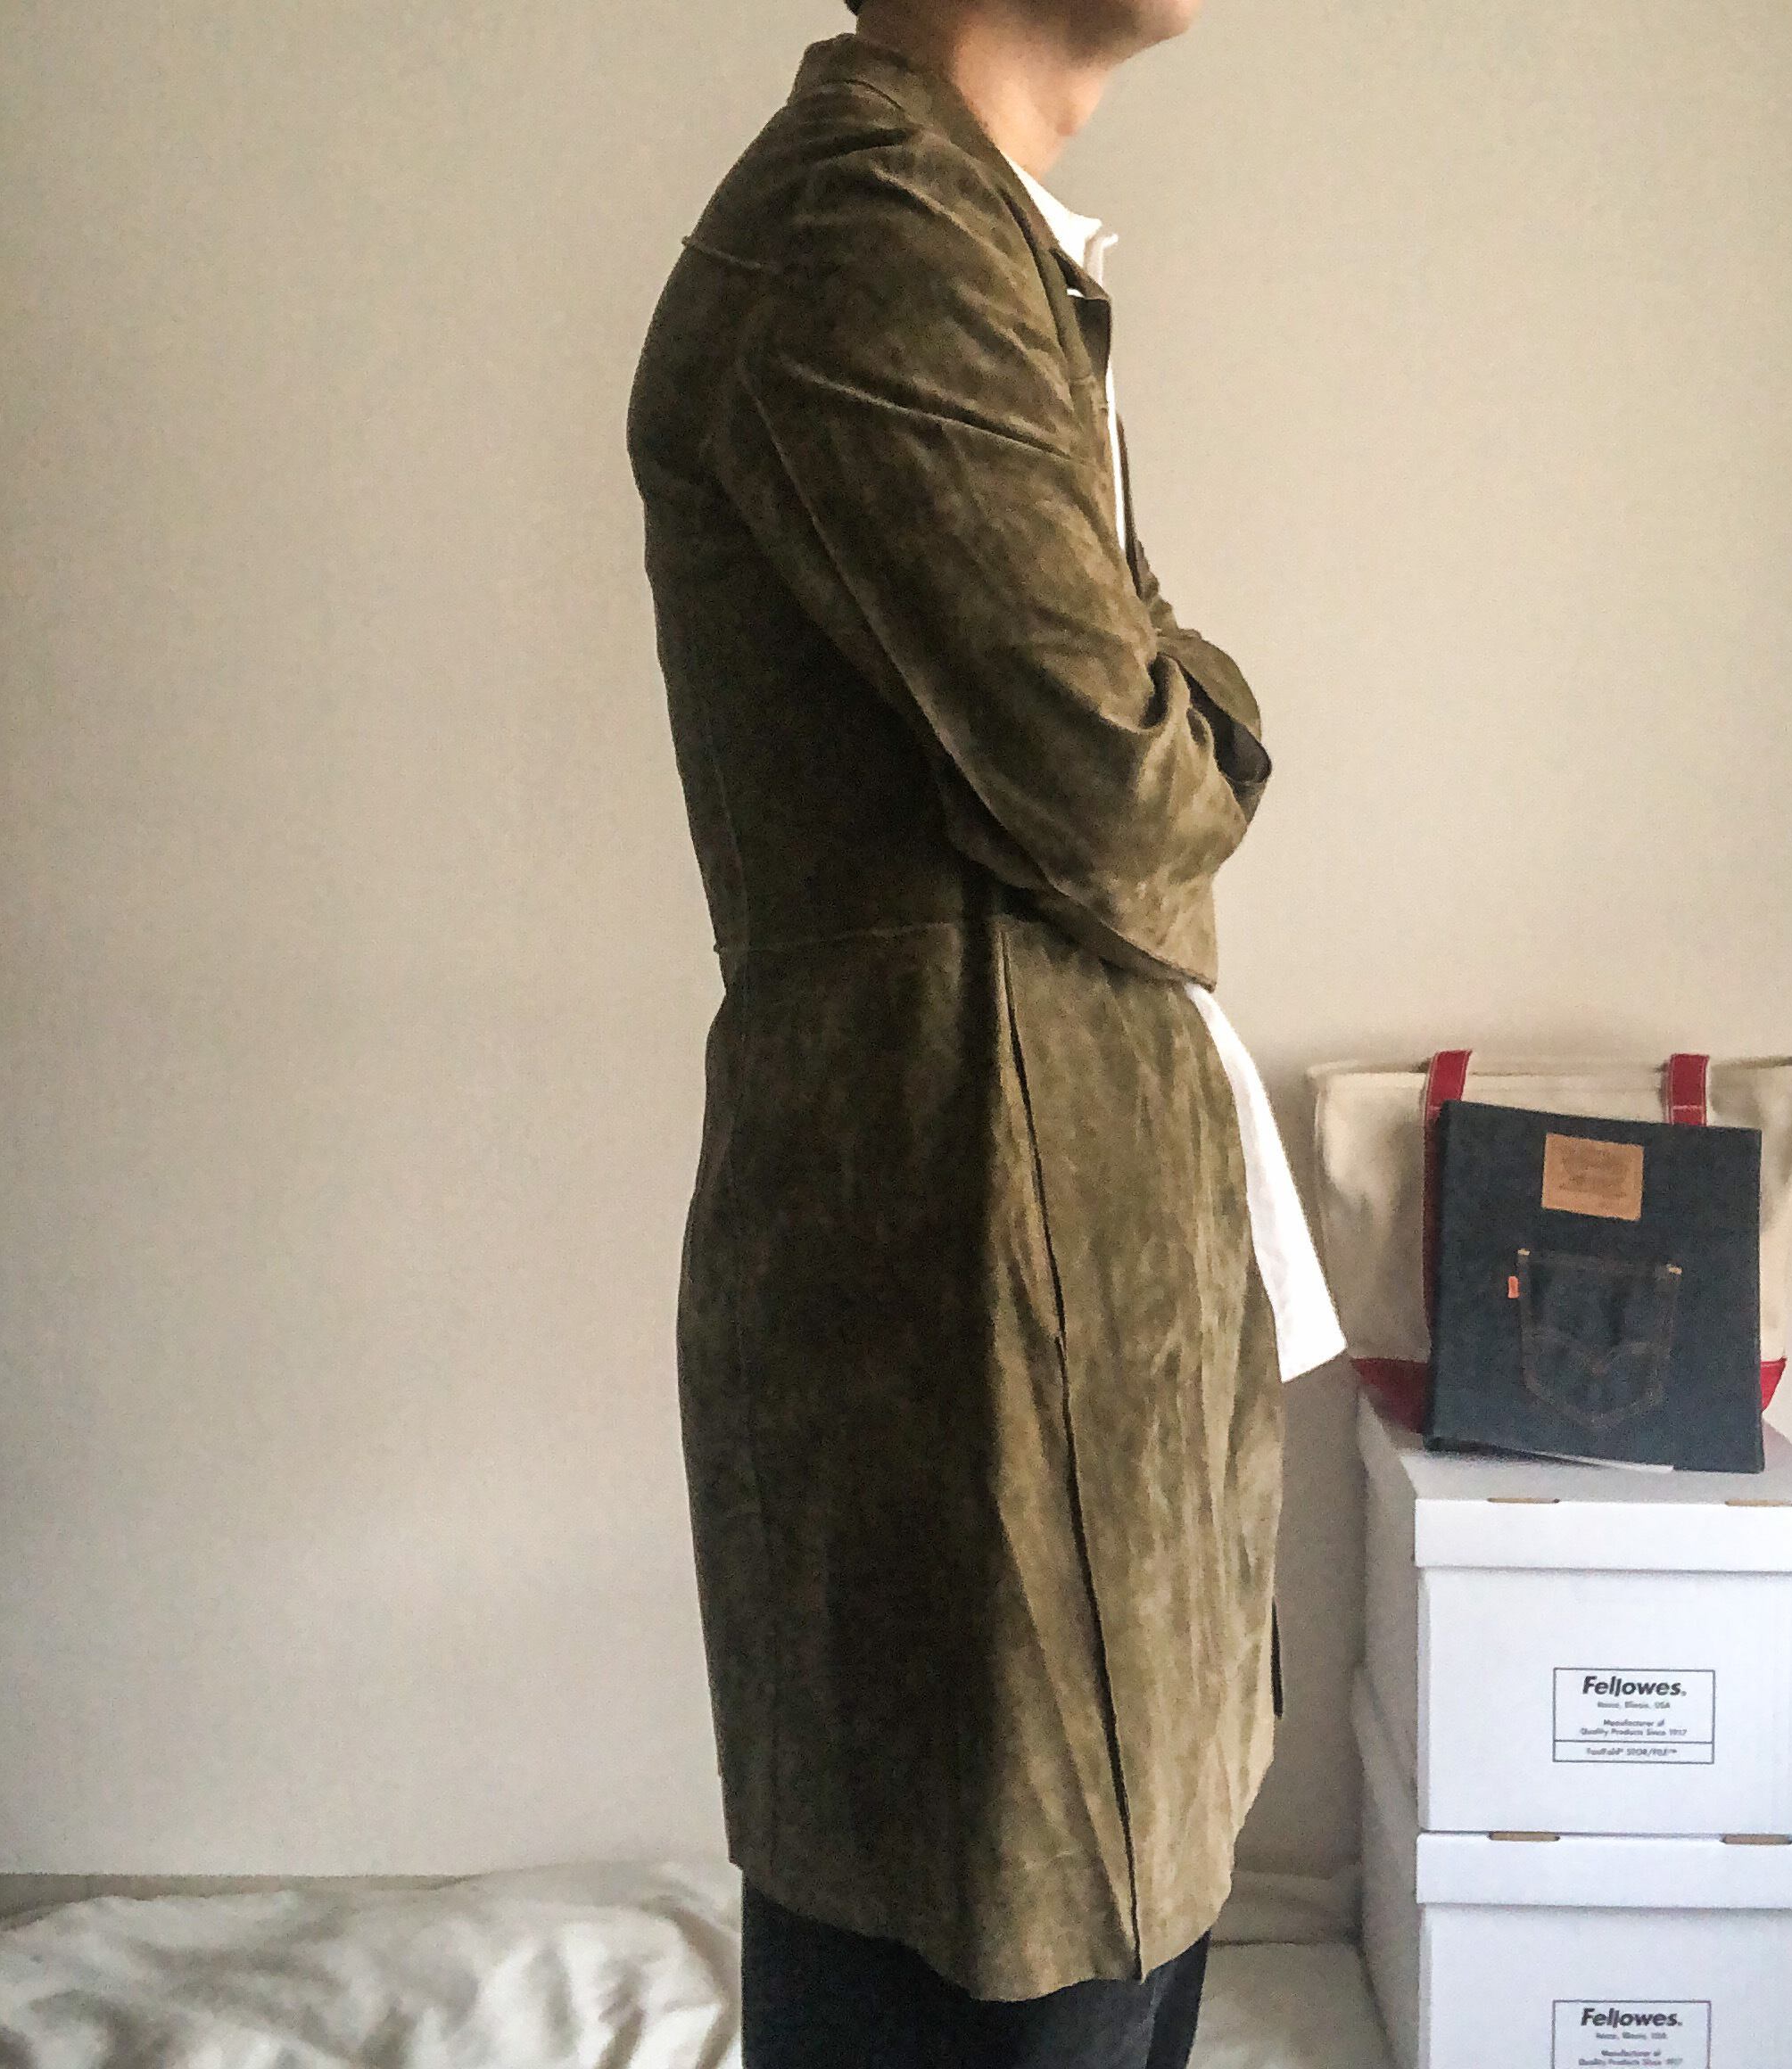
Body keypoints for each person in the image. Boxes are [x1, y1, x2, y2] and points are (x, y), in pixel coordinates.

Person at [626, 2, 1341, 2061]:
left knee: (1095, 1944)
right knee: (998, 1963)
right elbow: (1128, 782)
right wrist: (1199, 692)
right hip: (978, 1320)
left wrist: (1158, 692)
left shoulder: (975, 234)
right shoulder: (867, 229)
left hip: (1058, 1298)